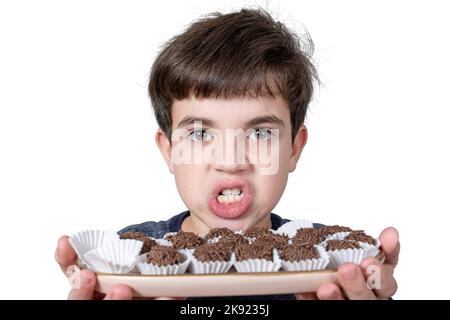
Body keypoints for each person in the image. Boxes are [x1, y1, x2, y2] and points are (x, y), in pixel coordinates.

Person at [55, 8, 399, 300]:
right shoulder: (129, 262)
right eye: (201, 133)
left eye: (260, 133)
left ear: (294, 148)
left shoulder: (330, 263)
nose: (231, 160)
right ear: (169, 150)